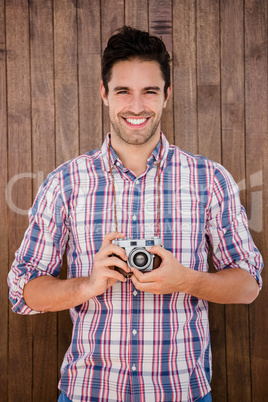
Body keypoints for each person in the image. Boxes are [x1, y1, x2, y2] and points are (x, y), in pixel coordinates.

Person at [8, 26, 263, 402]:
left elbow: (249, 285)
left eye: (150, 91)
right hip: (88, 391)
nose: (137, 106)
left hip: (181, 391)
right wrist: (88, 286)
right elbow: (22, 290)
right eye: (124, 91)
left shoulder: (210, 179)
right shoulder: (65, 183)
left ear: (167, 96)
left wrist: (186, 280)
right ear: (104, 94)